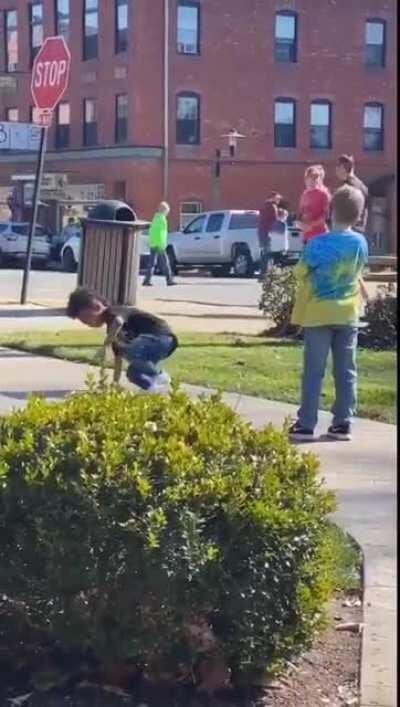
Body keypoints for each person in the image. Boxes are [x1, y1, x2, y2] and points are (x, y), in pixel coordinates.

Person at [289, 186, 368, 442]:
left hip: (318, 315)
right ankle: (343, 422)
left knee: (314, 370)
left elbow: (300, 272)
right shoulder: (360, 242)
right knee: (346, 370)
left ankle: (306, 423)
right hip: (348, 314)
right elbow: (359, 268)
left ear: (330, 211)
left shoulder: (317, 243)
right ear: (359, 216)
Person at [66, 287, 178, 392]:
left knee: (130, 349)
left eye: (86, 319)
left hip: (162, 337)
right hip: (152, 347)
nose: (87, 324)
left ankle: (159, 375)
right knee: (133, 374)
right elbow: (118, 360)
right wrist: (115, 383)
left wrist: (107, 342)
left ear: (97, 306)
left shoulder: (114, 311)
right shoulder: (114, 332)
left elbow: (118, 321)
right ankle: (152, 389)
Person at [143, 201, 175, 287]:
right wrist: (163, 244)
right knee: (165, 262)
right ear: (164, 210)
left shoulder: (155, 218)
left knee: (152, 263)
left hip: (153, 243)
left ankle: (147, 280)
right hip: (160, 244)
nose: (167, 213)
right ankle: (169, 280)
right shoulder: (162, 219)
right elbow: (162, 233)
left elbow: (152, 231)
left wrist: (151, 242)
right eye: (167, 211)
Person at [298, 165, 331, 244]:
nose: (313, 180)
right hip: (307, 236)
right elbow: (301, 213)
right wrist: (299, 223)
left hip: (320, 235)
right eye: (310, 178)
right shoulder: (304, 194)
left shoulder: (323, 194)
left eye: (315, 178)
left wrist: (311, 225)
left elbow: (326, 216)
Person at [336, 154, 369, 233]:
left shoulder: (347, 187)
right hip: (360, 228)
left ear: (342, 168)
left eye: (337, 169)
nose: (336, 173)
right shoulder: (362, 186)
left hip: (349, 229)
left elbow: (343, 211)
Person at [257, 192, 282, 280]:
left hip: (261, 232)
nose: (278, 201)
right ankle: (266, 274)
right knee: (269, 254)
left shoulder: (263, 206)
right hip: (269, 233)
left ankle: (263, 274)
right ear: (272, 198)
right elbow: (275, 221)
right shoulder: (272, 207)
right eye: (277, 199)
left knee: (264, 253)